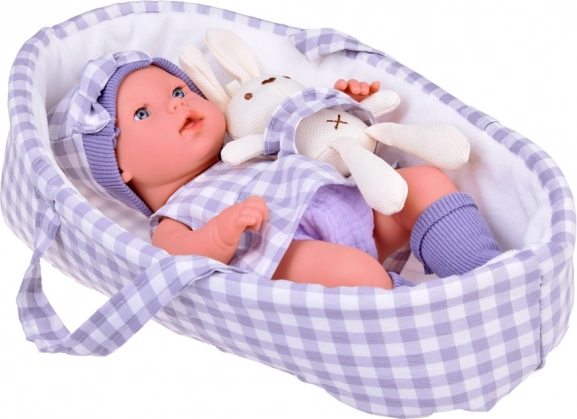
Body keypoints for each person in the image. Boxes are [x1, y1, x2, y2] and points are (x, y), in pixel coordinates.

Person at [48, 51, 501, 289]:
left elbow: (320, 143)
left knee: (421, 184)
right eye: (143, 114)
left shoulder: (250, 143)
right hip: (290, 254)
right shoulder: (170, 218)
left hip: (355, 211)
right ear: (118, 167)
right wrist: (219, 235)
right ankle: (421, 314)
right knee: (356, 274)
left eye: (179, 91)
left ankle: (483, 273)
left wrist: (343, 108)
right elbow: (181, 258)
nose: (176, 104)